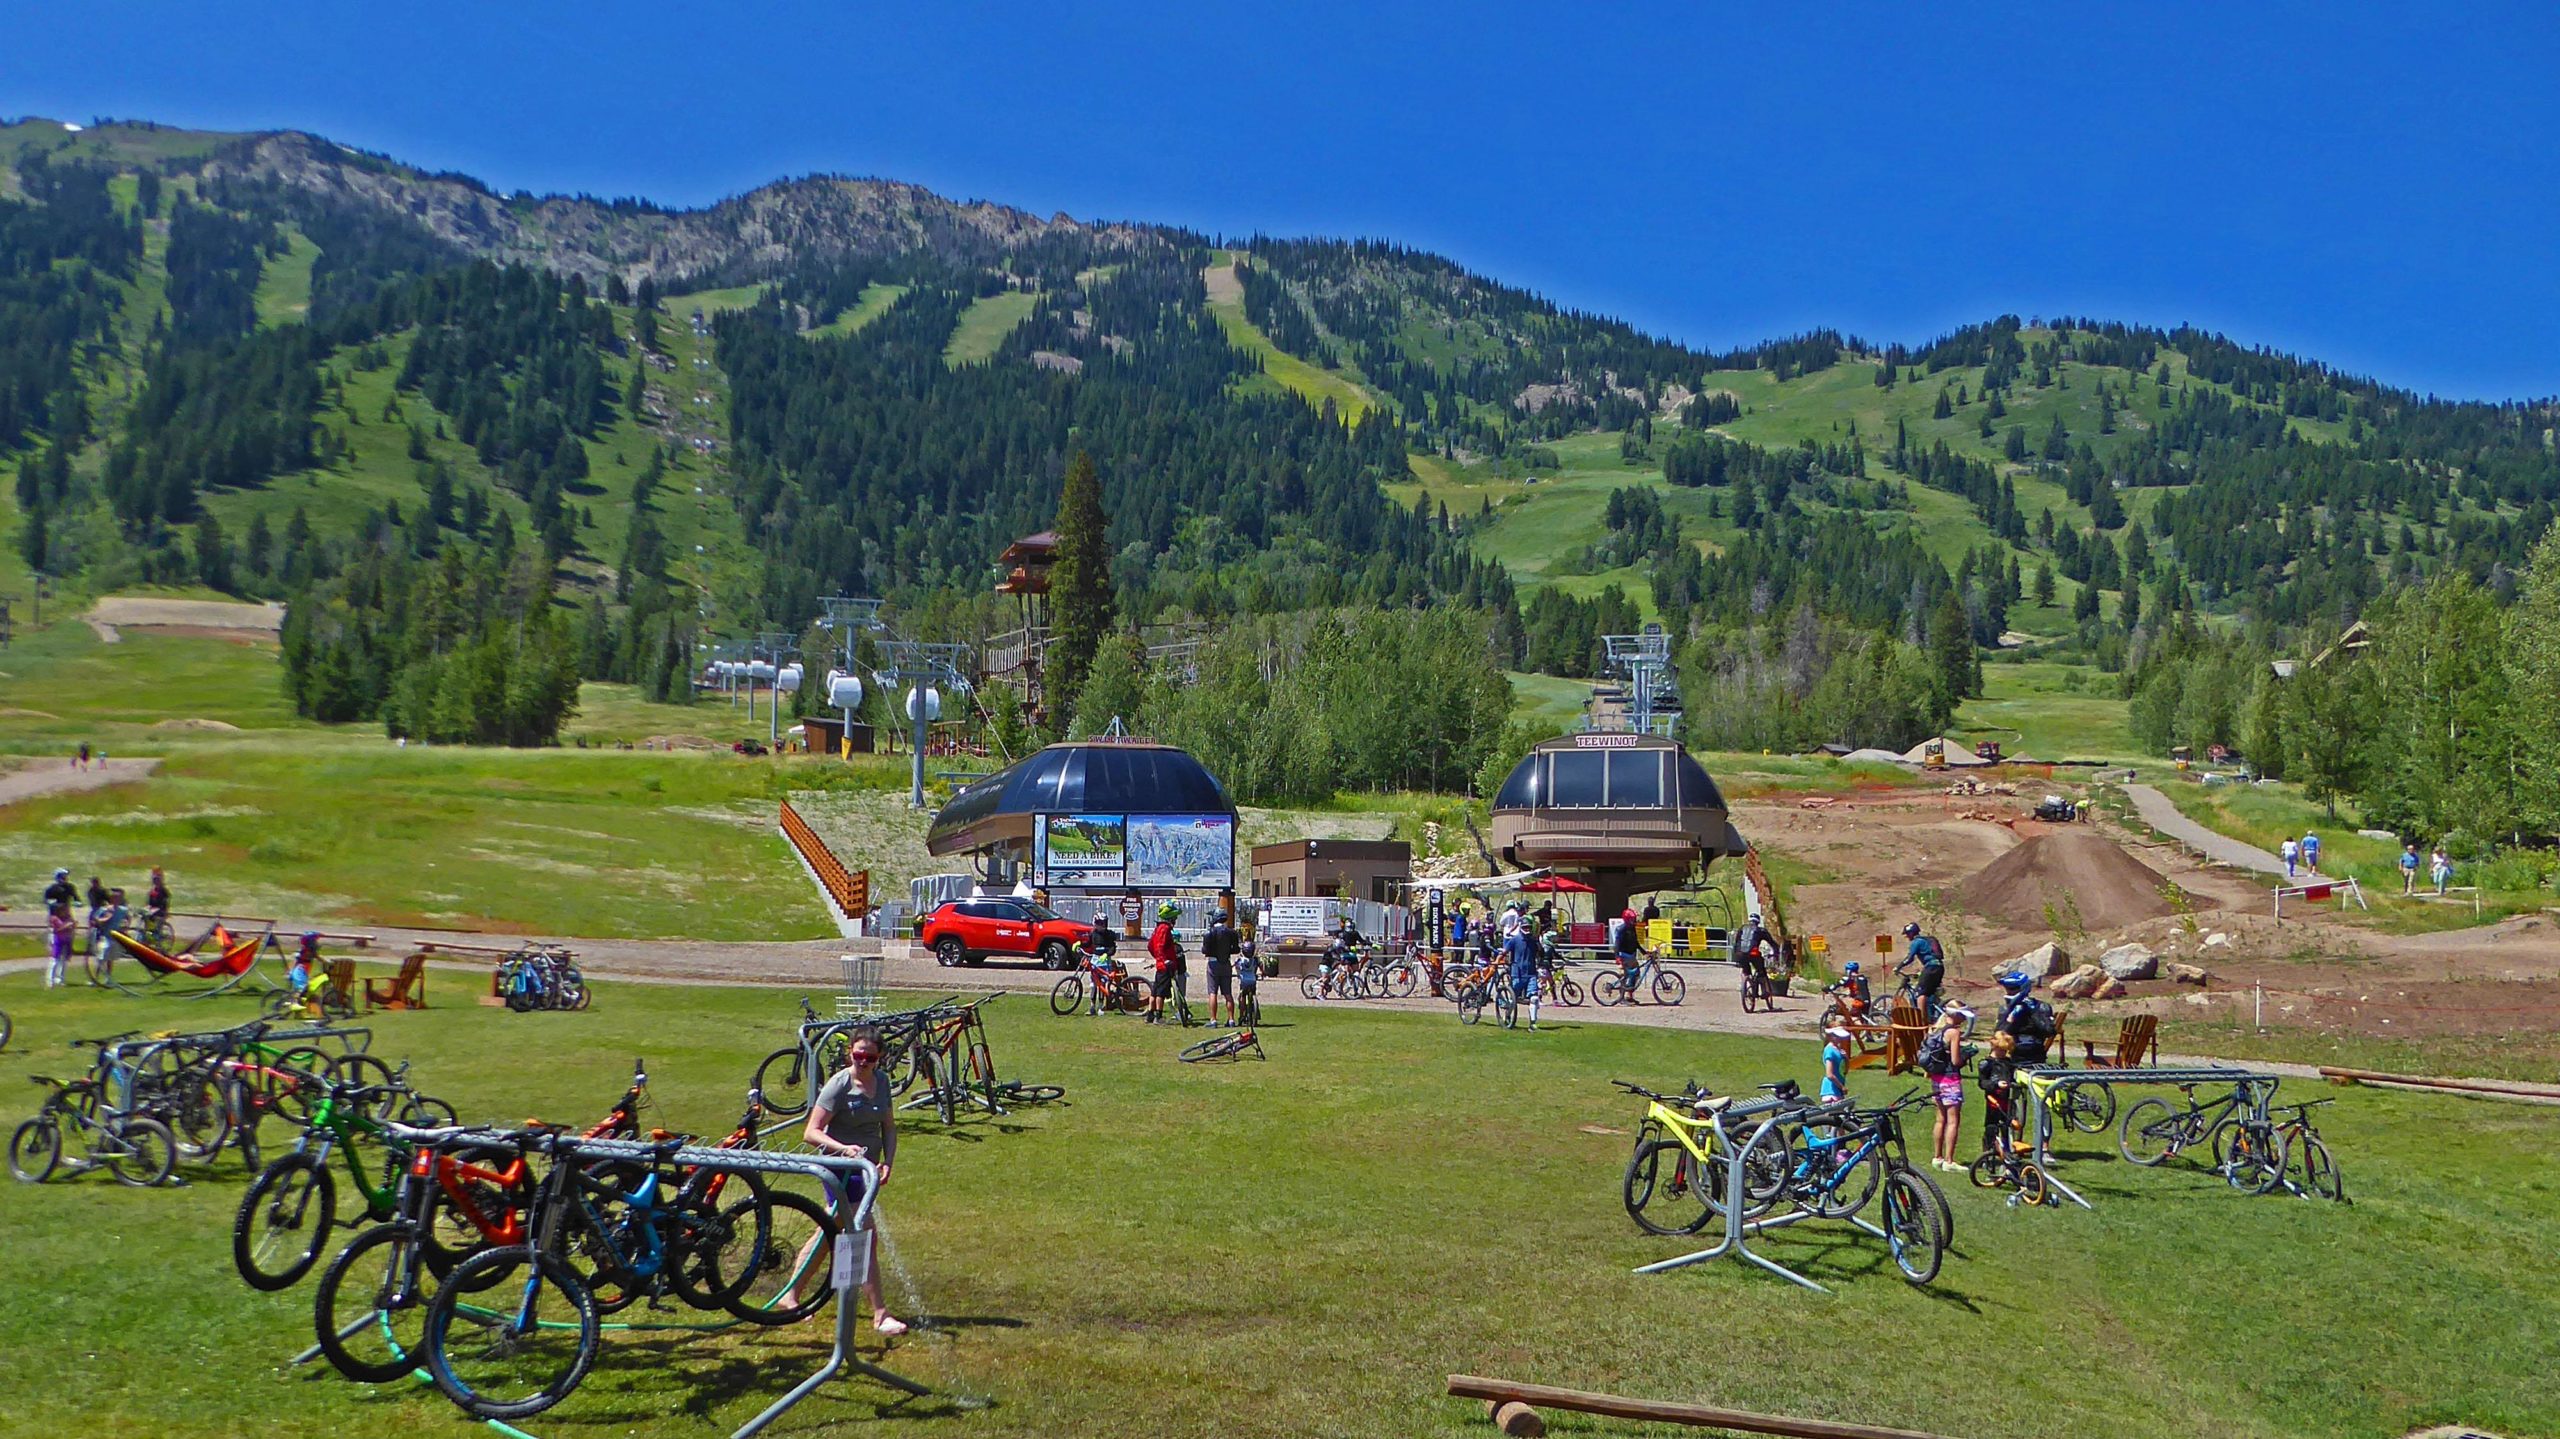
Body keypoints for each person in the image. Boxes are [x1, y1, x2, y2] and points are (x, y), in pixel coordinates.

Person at [798, 1026, 908, 1338]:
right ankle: (879, 1313)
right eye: (857, 1055)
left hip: (865, 1171)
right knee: (863, 1234)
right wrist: (843, 1149)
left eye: (869, 1057)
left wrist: (888, 1161)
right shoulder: (839, 1084)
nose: (862, 1061)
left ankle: (796, 1296)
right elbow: (811, 1132)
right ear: (850, 1054)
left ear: (879, 1058)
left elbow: (888, 1126)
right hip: (838, 1169)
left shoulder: (882, 1082)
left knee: (833, 1232)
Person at [1918, 1008, 1967, 1171]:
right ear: (1956, 1015)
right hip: (1950, 1079)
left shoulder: (1936, 1030)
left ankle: (1937, 1157)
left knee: (1940, 1119)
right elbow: (1955, 1060)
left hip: (1937, 1079)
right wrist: (1965, 1056)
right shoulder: (1954, 1033)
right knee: (1953, 1121)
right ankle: (1949, 1160)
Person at [1994, 971, 2056, 1065]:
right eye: (2007, 988)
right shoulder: (2005, 1009)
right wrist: (2011, 1015)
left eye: (2013, 988)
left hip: (2034, 1055)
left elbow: (2049, 1031)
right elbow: (1998, 1034)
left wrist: (2033, 1011)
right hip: (2009, 1055)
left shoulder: (2040, 1006)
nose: (2010, 992)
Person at [1977, 1030, 2019, 1156]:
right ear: (1994, 1047)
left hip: (2007, 1099)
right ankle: (1989, 1152)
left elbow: (2013, 1077)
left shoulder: (2008, 1062)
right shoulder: (1986, 1064)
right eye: (2002, 1050)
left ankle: (2007, 1150)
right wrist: (1996, 1085)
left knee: (2007, 1125)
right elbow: (1982, 1083)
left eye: (2006, 1051)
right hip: (1993, 1099)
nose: (2004, 1053)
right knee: (1991, 1127)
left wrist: (2013, 1083)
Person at [1146, 902, 1185, 1024]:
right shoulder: (1165, 929)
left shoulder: (1158, 928)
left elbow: (1151, 946)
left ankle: (1150, 1015)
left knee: (1155, 989)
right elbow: (1159, 946)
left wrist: (1157, 958)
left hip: (1161, 964)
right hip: (1165, 965)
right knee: (1161, 992)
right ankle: (1159, 1016)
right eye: (1175, 917)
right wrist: (1163, 960)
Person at [1897, 921, 1946, 1017]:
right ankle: (1933, 1015)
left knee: (1920, 993)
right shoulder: (1925, 941)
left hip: (1931, 967)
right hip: (1939, 967)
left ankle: (1922, 1021)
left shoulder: (1917, 942)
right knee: (1930, 993)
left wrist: (1898, 967)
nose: (1907, 936)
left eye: (1907, 934)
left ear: (1911, 933)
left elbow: (1909, 958)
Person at [1202, 909, 1239, 1027]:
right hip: (1226, 963)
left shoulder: (1209, 933)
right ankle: (1231, 1019)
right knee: (1228, 992)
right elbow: (1236, 949)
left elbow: (1205, 950)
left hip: (1213, 963)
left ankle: (1213, 1019)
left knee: (1213, 992)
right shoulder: (1231, 932)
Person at [1610, 907, 1644, 989]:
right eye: (1633, 919)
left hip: (1632, 955)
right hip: (1624, 955)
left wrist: (1644, 952)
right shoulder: (1621, 929)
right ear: (1628, 919)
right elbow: (1617, 944)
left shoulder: (1632, 928)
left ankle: (1629, 994)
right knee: (1624, 976)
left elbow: (1635, 942)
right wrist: (1617, 957)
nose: (1634, 921)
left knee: (1635, 974)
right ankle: (1622, 997)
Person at [45, 901, 75, 988]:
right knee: (54, 960)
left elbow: (72, 928)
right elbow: (57, 930)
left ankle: (60, 979)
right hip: (57, 940)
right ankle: (49, 980)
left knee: (64, 960)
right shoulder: (54, 918)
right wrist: (67, 926)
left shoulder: (68, 918)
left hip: (66, 940)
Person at [1235, 936, 1260, 1021]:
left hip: (1244, 981)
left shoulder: (1240, 961)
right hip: (1252, 980)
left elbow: (1237, 968)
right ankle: (1255, 1009)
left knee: (1242, 996)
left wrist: (1238, 974)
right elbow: (1256, 968)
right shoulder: (1255, 960)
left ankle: (1242, 1015)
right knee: (1253, 992)